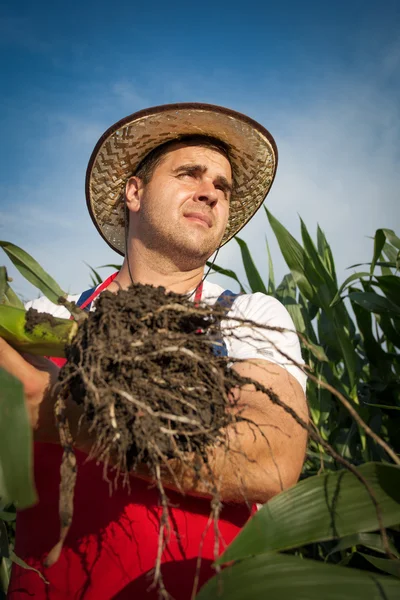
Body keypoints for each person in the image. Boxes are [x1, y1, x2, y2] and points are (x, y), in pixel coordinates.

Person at [2, 103, 308, 599]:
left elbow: (271, 458)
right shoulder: (44, 319)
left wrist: (60, 411)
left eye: (222, 187)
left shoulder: (249, 317)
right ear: (135, 191)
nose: (210, 191)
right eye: (190, 173)